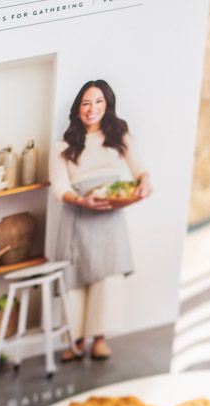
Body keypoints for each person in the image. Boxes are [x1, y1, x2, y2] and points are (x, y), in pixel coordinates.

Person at [49, 79, 151, 360]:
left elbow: (139, 169)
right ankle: (76, 341)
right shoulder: (62, 146)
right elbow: (60, 188)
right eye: (86, 103)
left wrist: (145, 183)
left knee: (107, 278)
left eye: (98, 102)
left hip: (110, 218)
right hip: (78, 215)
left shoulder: (119, 136)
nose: (91, 109)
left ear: (107, 106)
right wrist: (82, 200)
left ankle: (100, 339)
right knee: (76, 278)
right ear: (77, 108)